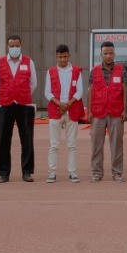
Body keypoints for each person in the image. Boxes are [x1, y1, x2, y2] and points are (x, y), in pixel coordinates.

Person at [0, 34, 37, 183]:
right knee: (3, 140)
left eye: (17, 45)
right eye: (11, 46)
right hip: (5, 105)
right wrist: (7, 95)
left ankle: (27, 172)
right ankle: (3, 173)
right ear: (7, 47)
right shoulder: (0, 62)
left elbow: (33, 83)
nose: (14, 48)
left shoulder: (28, 62)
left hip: (24, 105)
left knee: (27, 139)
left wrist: (21, 94)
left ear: (21, 46)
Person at [86, 40, 127, 183]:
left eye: (111, 53)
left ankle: (117, 173)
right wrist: (89, 111)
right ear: (101, 54)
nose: (108, 56)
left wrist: (125, 110)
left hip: (116, 112)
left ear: (114, 54)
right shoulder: (94, 71)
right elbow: (90, 91)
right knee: (96, 145)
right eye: (105, 53)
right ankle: (97, 173)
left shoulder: (121, 70)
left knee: (117, 145)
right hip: (98, 112)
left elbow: (124, 90)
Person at [44, 43, 84, 183]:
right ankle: (52, 172)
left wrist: (67, 105)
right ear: (56, 56)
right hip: (55, 111)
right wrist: (59, 104)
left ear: (69, 56)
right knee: (54, 144)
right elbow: (47, 92)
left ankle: (72, 172)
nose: (63, 60)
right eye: (60, 57)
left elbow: (80, 91)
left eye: (65, 57)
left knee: (72, 144)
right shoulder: (50, 72)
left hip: (72, 111)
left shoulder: (77, 71)